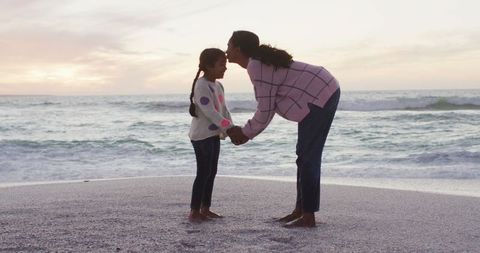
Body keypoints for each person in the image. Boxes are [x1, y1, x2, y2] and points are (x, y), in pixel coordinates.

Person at [225, 31, 341, 228]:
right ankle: (300, 210)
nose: (226, 51)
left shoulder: (256, 66)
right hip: (321, 89)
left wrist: (245, 133)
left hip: (321, 93)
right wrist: (247, 132)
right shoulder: (258, 63)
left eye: (228, 46)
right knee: (304, 156)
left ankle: (308, 216)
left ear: (237, 49)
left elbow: (265, 108)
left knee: (308, 158)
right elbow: (267, 106)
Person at [188, 48, 233, 223]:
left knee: (212, 172)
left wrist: (233, 127)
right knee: (203, 172)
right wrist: (229, 129)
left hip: (214, 134)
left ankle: (205, 208)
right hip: (202, 136)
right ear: (208, 65)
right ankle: (194, 211)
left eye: (225, 64)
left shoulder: (218, 85)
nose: (225, 68)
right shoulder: (201, 86)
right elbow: (210, 113)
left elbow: (223, 110)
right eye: (221, 64)